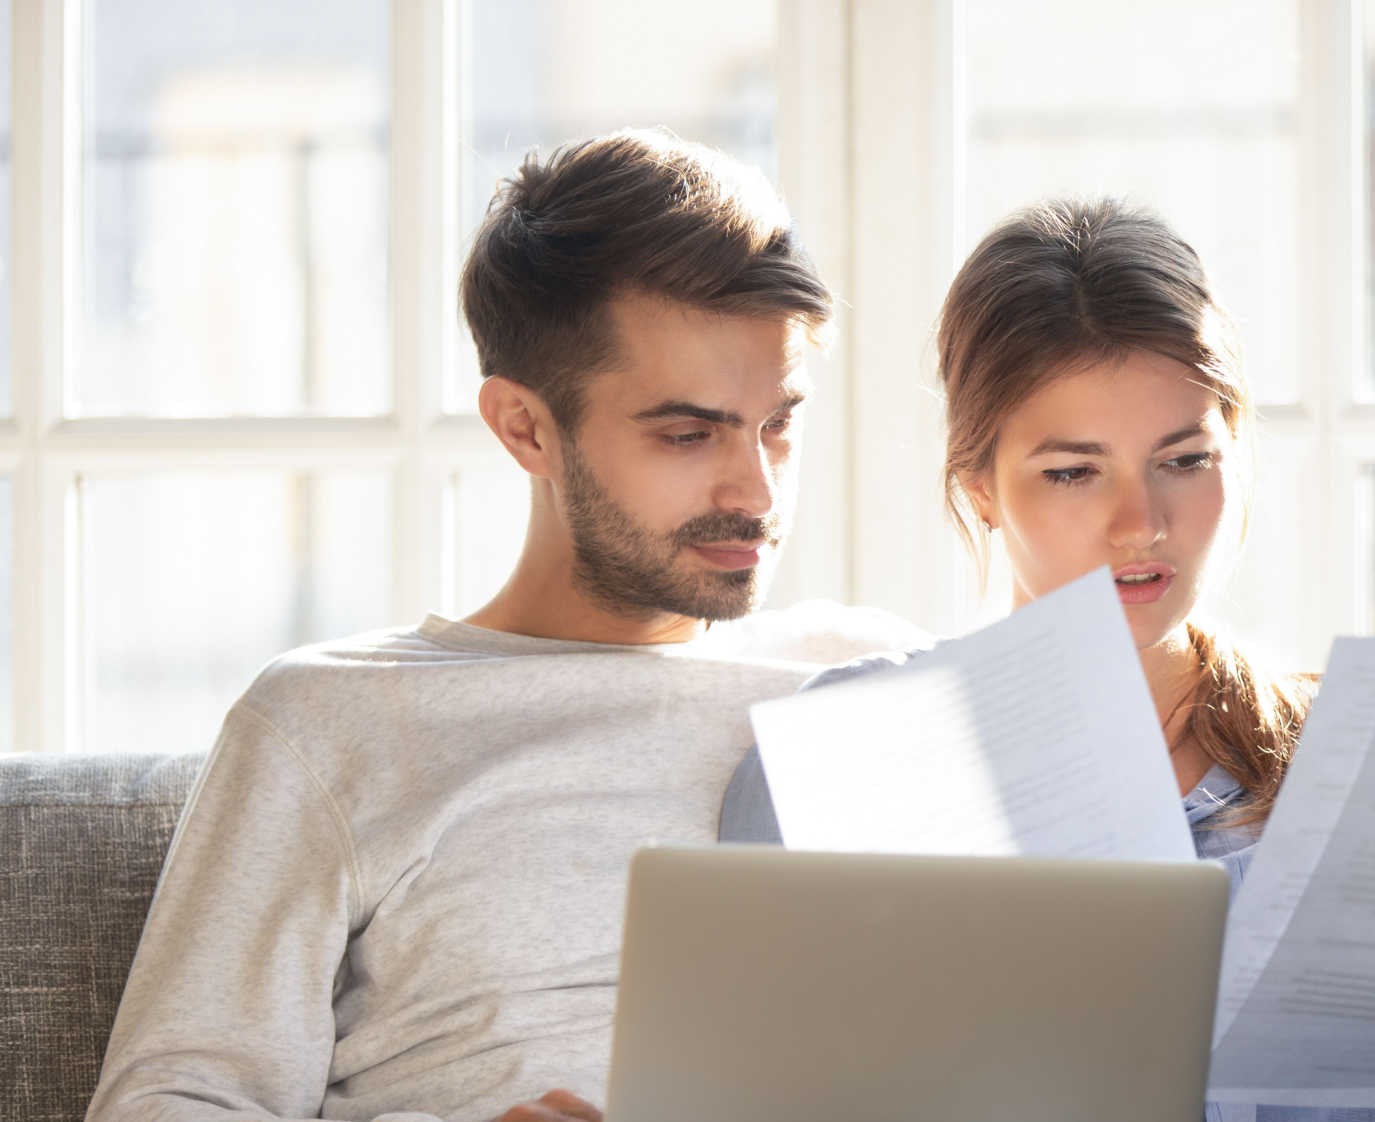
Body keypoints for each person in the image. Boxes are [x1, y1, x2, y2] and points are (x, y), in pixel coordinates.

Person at [721, 198, 1375, 1122]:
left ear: (1234, 454)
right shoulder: (840, 763)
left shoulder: (1370, 762)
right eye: (1073, 472)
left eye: (1183, 459)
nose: (1142, 525)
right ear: (980, 488)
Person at [85, 130, 923, 1122]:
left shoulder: (875, 685)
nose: (754, 488)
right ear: (523, 426)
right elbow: (165, 1103)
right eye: (687, 433)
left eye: (777, 422)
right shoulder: (331, 719)